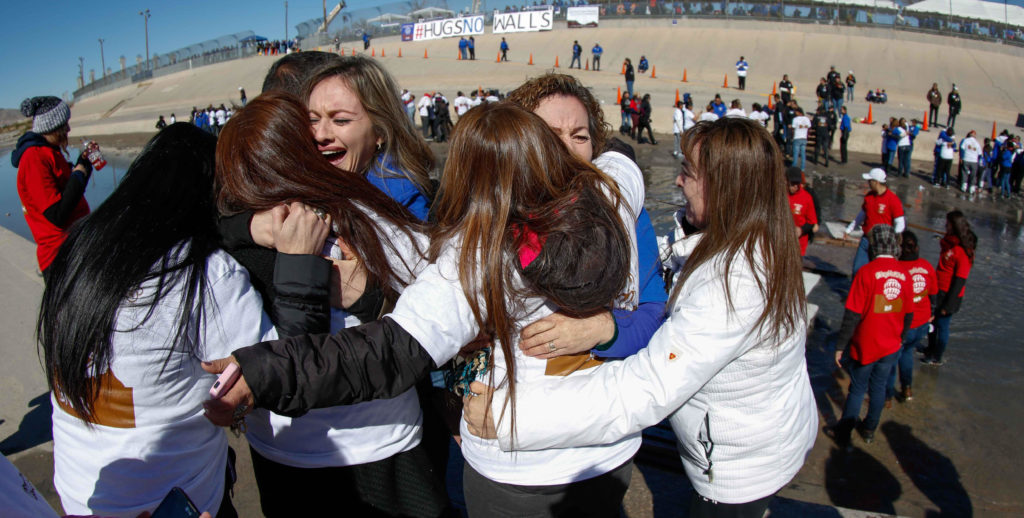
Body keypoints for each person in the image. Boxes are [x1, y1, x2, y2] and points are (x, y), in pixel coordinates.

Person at [204, 102, 645, 517]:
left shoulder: (476, 258)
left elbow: (389, 353)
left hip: (512, 471)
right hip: (610, 456)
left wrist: (266, 371)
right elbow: (622, 164)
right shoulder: (614, 196)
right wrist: (616, 152)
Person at [463, 117, 817, 518]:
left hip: (737, 466)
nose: (679, 183)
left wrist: (511, 417)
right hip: (769, 431)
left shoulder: (735, 286)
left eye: (688, 173)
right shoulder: (755, 235)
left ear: (727, 188)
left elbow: (646, 388)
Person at [216, 91, 446, 517]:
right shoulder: (243, 235)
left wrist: (367, 295)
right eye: (313, 127)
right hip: (348, 442)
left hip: (358, 443)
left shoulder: (362, 215)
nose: (323, 137)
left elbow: (433, 306)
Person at [40, 123, 261, 517]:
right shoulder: (205, 270)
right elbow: (272, 372)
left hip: (80, 496)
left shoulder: (77, 251)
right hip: (171, 504)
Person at [831, 224, 913, 448]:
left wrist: (840, 345)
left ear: (874, 246)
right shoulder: (905, 274)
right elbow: (908, 313)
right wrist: (901, 338)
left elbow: (852, 315)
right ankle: (869, 430)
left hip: (867, 344)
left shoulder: (866, 273)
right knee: (878, 387)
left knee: (857, 389)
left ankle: (844, 434)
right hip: (891, 344)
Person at [13, 96, 92, 277]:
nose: (69, 129)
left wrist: (84, 164)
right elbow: (57, 214)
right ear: (52, 127)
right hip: (60, 256)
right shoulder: (34, 159)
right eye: (64, 125)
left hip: (73, 245)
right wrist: (78, 173)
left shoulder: (49, 152)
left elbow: (72, 194)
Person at [886, 231, 936, 404]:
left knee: (892, 359)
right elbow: (934, 294)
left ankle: (887, 396)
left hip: (903, 325)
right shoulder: (927, 266)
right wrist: (932, 314)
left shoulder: (896, 270)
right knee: (907, 354)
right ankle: (907, 388)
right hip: (922, 321)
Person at [922, 211, 976, 365]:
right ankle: (930, 348)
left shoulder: (963, 252)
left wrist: (948, 304)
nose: (945, 226)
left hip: (949, 294)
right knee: (932, 321)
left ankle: (937, 357)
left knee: (942, 326)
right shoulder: (949, 244)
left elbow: (960, 281)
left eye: (948, 224)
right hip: (937, 289)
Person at [844, 168, 906, 275]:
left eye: (870, 181)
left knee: (877, 273)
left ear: (876, 182)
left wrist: (893, 239)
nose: (868, 183)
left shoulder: (893, 199)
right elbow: (861, 215)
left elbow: (900, 223)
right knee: (857, 270)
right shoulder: (869, 197)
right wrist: (849, 229)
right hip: (866, 240)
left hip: (882, 244)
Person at [788, 167, 818, 256]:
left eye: (797, 184)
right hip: (781, 241)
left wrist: (801, 230)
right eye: (792, 184)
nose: (795, 187)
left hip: (798, 244)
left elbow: (811, 222)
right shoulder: (780, 195)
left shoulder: (807, 198)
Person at [791, 107, 811, 172]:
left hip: (797, 137)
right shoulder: (807, 119)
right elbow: (809, 126)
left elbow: (793, 128)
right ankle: (802, 168)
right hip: (804, 137)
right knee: (803, 154)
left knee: (796, 154)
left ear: (799, 112)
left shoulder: (795, 119)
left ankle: (794, 167)